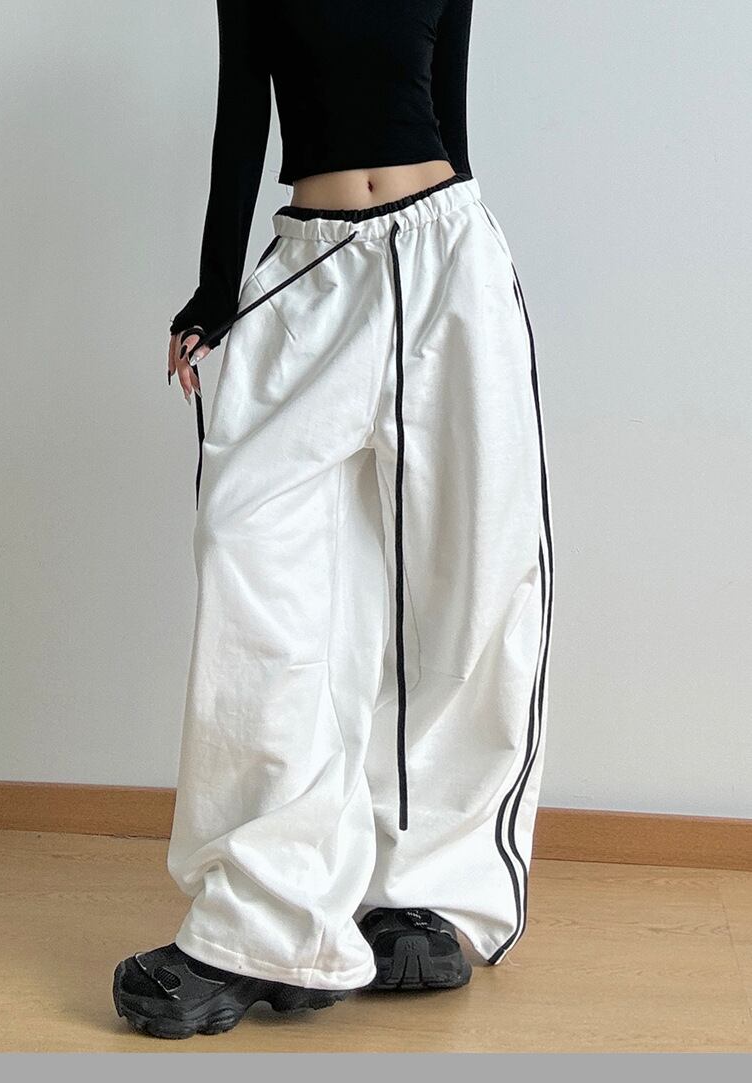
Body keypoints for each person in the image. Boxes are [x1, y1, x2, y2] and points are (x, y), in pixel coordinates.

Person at [113, 0, 554, 1039]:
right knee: (248, 551)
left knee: (467, 580)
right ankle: (270, 914)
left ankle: (421, 891)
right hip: (312, 269)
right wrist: (213, 294)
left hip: (447, 259)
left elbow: (449, 117)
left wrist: (464, 268)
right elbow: (242, 120)